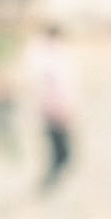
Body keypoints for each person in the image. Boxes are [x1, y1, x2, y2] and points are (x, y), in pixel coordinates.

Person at [26, 23, 77, 191]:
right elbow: (57, 83)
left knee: (59, 147)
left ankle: (51, 177)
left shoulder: (50, 54)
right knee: (60, 148)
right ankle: (50, 178)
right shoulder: (48, 55)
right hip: (53, 106)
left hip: (54, 106)